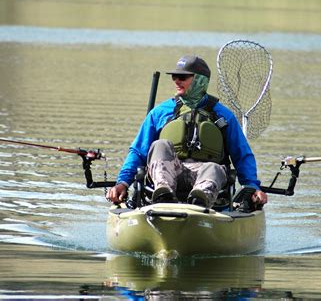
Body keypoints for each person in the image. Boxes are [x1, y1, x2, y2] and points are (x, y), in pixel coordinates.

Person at [107, 55, 268, 208]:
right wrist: (123, 183)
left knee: (215, 168)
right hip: (169, 172)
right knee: (160, 145)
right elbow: (138, 152)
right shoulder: (160, 112)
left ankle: (199, 201)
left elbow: (242, 155)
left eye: (182, 77)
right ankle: (164, 195)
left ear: (200, 80)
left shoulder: (224, 116)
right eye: (174, 77)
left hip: (205, 176)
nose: (177, 81)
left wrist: (252, 187)